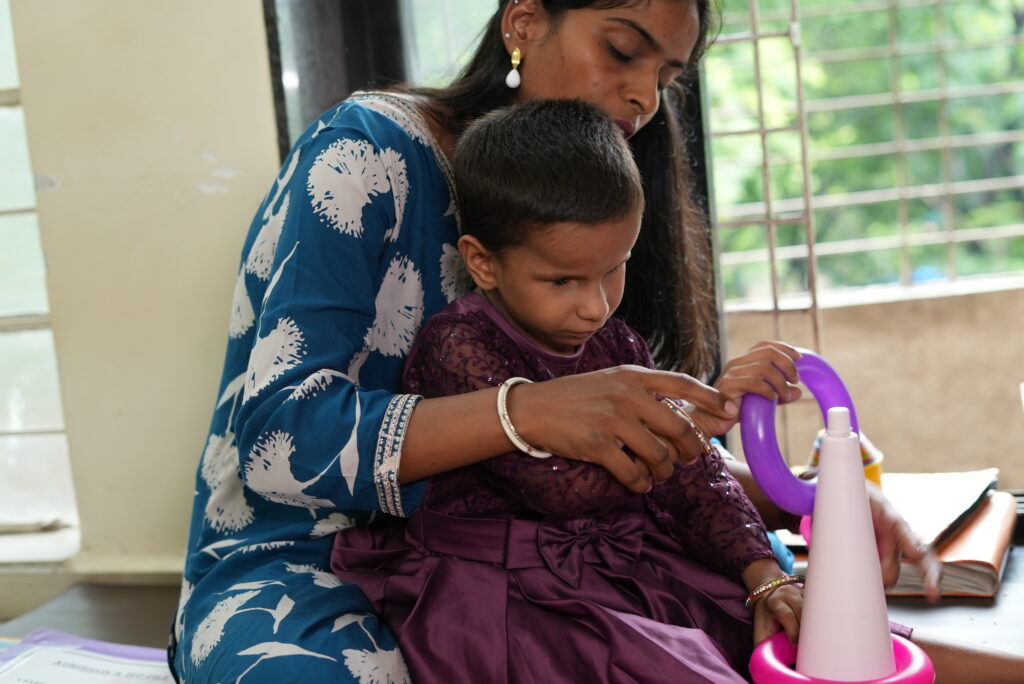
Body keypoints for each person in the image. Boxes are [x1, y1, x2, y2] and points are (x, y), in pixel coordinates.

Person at [170, 1, 1021, 682]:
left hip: (537, 567)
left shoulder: (596, 228)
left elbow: (611, 460)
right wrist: (526, 414)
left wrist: (801, 501)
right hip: (303, 559)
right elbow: (277, 446)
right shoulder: (364, 159)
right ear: (523, 23)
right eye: (623, 50)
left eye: (667, 76)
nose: (645, 99)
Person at [330, 97, 812, 683]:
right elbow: (557, 486)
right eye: (562, 280)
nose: (595, 305)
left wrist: (765, 575)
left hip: (616, 568)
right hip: (505, 595)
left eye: (614, 268)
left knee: (795, 648)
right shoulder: (456, 346)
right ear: (483, 263)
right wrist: (692, 422)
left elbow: (694, 480)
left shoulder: (620, 348)